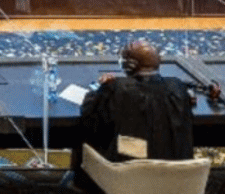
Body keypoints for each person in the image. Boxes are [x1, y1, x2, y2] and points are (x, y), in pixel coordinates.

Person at [75, 40, 194, 177]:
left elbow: (90, 120)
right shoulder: (178, 87)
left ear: (129, 65)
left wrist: (100, 89)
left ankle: (80, 181)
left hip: (125, 180)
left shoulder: (115, 88)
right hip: (175, 180)